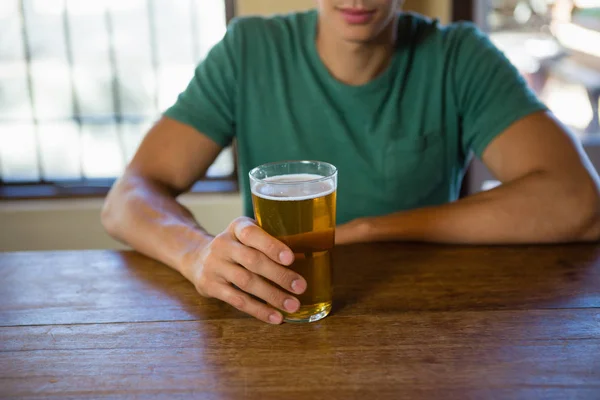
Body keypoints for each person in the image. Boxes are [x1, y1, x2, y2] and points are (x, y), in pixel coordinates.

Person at [102, 0, 600, 324]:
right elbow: (128, 197)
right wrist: (195, 254)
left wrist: (363, 231)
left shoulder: (458, 56)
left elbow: (580, 204)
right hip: (280, 314)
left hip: (424, 320)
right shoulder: (248, 51)